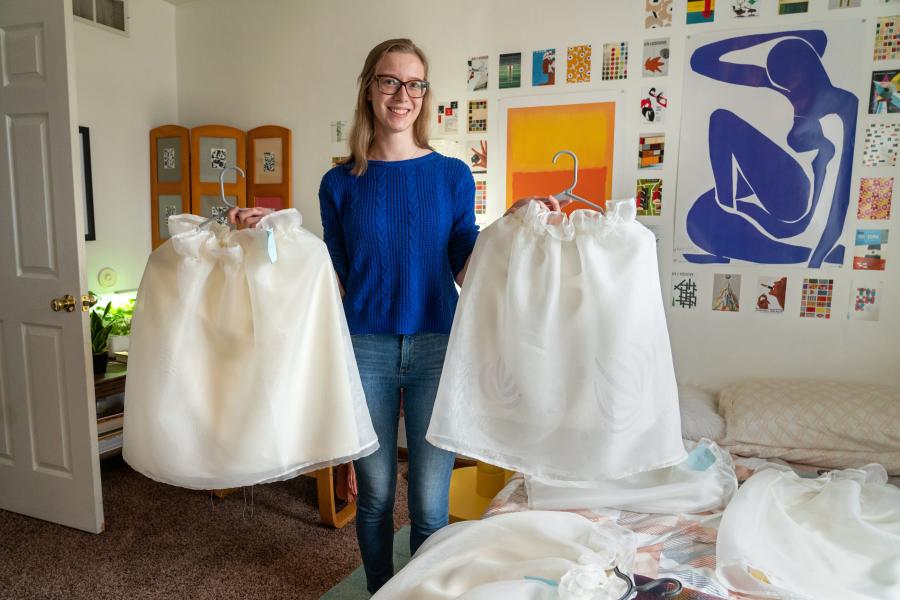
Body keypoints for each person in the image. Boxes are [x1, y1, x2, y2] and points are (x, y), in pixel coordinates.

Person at [230, 38, 565, 593]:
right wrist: (274, 237)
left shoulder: (452, 175)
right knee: (377, 497)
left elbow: (467, 264)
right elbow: (329, 275)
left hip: (439, 346)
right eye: (390, 81)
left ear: (425, 95)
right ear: (369, 88)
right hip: (365, 349)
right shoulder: (339, 183)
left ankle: (425, 592)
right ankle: (381, 590)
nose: (402, 95)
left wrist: (512, 221)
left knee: (431, 507)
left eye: (414, 84)